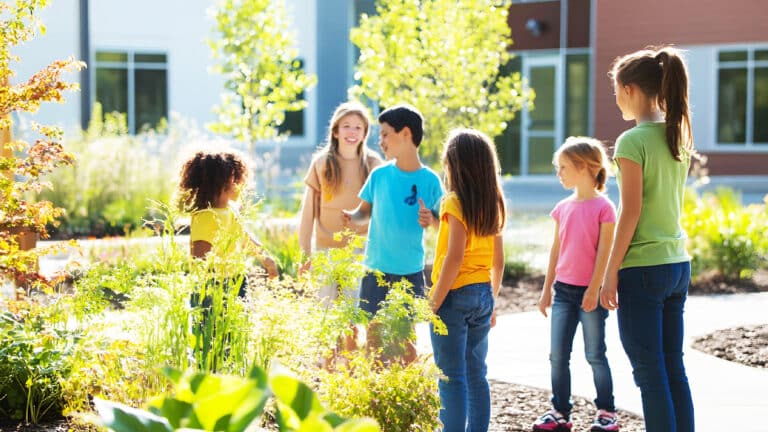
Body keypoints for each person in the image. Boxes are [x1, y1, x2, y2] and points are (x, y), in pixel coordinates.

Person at [600, 46, 695, 432]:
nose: (616, 99)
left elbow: (631, 212)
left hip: (643, 270)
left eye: (616, 91)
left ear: (630, 88)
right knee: (673, 368)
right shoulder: (677, 137)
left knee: (650, 375)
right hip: (677, 265)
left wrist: (610, 272)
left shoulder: (631, 141)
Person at [343, 104, 443, 365]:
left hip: (409, 271)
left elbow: (444, 225)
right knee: (374, 337)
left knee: (406, 338)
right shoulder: (380, 175)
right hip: (375, 268)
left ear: (406, 134)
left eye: (386, 134)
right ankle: (376, 396)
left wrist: (430, 219)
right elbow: (365, 211)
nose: (381, 141)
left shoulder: (431, 181)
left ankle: (407, 394)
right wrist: (351, 217)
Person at [534, 137, 619, 432]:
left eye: (564, 167)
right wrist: (546, 291)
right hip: (563, 293)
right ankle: (560, 412)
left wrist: (594, 289)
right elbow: (556, 252)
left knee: (595, 354)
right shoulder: (562, 208)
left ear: (584, 167)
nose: (559, 173)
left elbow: (605, 253)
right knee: (557, 355)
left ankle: (607, 411)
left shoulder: (604, 207)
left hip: (589, 294)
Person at [428, 128, 505, 432]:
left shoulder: (453, 203)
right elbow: (498, 262)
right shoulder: (494, 204)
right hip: (483, 294)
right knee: (476, 375)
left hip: (453, 297)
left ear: (454, 165)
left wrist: (433, 302)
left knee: (451, 376)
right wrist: (492, 301)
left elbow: (454, 258)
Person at [297, 101, 382, 365]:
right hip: (326, 251)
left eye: (358, 127)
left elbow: (380, 212)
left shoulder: (374, 164)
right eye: (346, 126)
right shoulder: (322, 163)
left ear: (365, 132)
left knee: (351, 313)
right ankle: (326, 368)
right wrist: (305, 255)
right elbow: (307, 213)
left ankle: (347, 367)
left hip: (359, 252)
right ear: (335, 131)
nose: (352, 132)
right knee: (325, 312)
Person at [176, 150, 278, 369]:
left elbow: (245, 238)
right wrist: (221, 269)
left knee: (236, 335)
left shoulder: (230, 212)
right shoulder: (205, 216)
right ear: (223, 182)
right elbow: (201, 256)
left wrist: (266, 260)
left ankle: (232, 376)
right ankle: (210, 377)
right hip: (212, 287)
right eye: (237, 180)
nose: (241, 185)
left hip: (236, 282)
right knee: (210, 338)